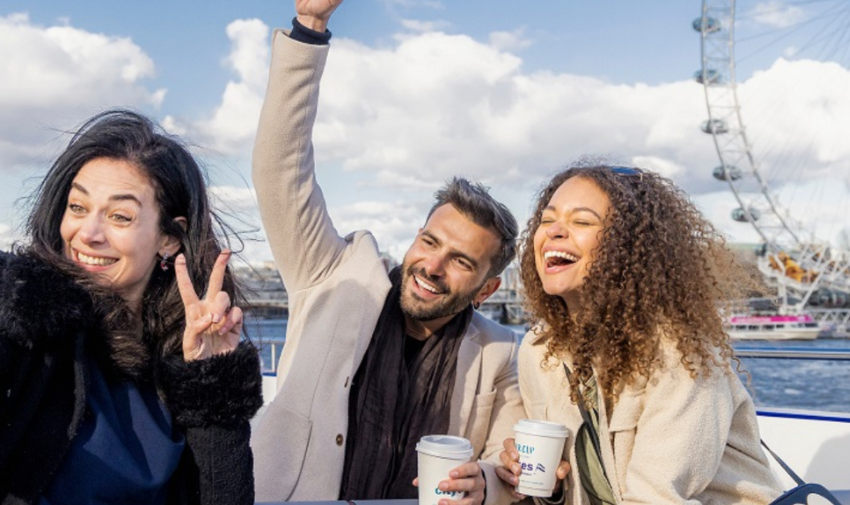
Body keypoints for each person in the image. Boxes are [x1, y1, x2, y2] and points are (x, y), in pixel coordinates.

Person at [249, 1, 525, 504]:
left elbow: (509, 467)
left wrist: (485, 483)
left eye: (461, 261)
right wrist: (309, 29)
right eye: (430, 242)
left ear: (487, 289)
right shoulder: (332, 276)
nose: (433, 267)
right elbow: (280, 171)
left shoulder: (503, 354)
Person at [0, 110, 263, 505]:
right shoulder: (24, 323)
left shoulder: (178, 359)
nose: (87, 234)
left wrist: (211, 380)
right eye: (77, 208)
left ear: (169, 239)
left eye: (119, 216)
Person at [497, 163, 783, 504]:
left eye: (582, 221)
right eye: (547, 219)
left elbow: (654, 498)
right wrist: (552, 488)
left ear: (629, 246)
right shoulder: (538, 349)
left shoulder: (680, 354)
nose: (554, 231)